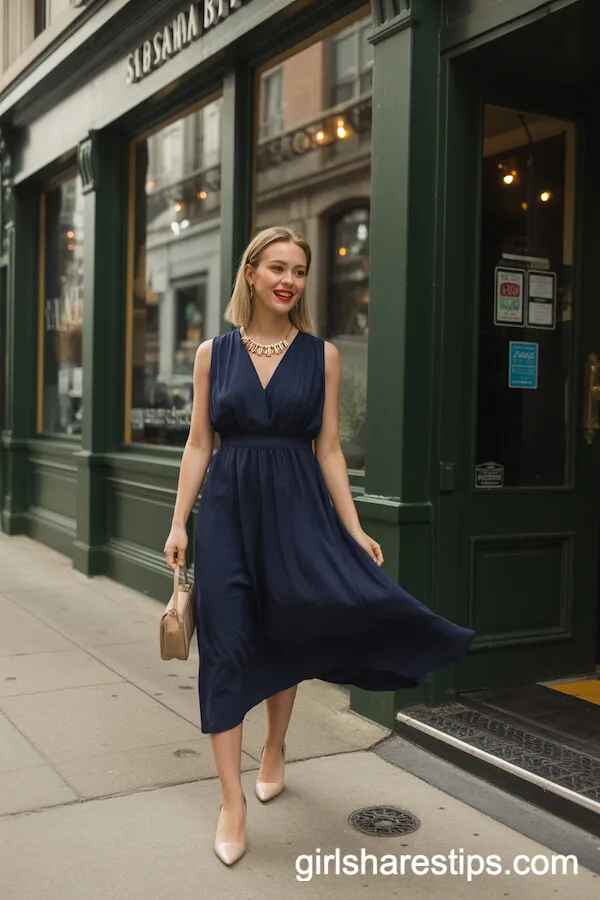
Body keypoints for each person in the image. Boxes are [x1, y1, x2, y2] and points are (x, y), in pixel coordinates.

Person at [163, 226, 475, 866]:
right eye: (277, 267)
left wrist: (354, 526)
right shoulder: (211, 354)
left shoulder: (322, 356)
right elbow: (199, 443)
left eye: (300, 271)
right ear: (249, 273)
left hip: (298, 510)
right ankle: (231, 801)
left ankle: (275, 747)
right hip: (227, 514)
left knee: (289, 628)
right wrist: (178, 524)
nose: (289, 280)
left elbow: (328, 448)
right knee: (225, 645)